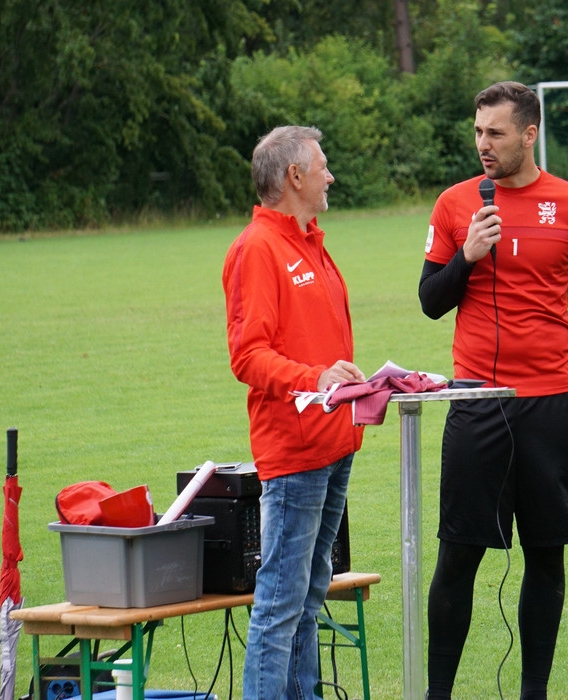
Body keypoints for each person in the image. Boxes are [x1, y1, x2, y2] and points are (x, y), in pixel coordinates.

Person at [419, 81, 568, 699]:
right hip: (476, 401)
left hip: (551, 404)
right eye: (478, 131)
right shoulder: (455, 206)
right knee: (457, 558)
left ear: (529, 134)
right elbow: (430, 301)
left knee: (547, 556)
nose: (483, 144)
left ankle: (534, 691)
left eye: (496, 133)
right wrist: (468, 256)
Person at [222, 125, 366, 699]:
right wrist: (316, 379)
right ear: (294, 176)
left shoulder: (310, 241)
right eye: (323, 165)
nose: (331, 174)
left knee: (311, 592)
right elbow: (249, 355)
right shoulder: (258, 249)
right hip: (295, 451)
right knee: (281, 602)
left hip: (335, 444)